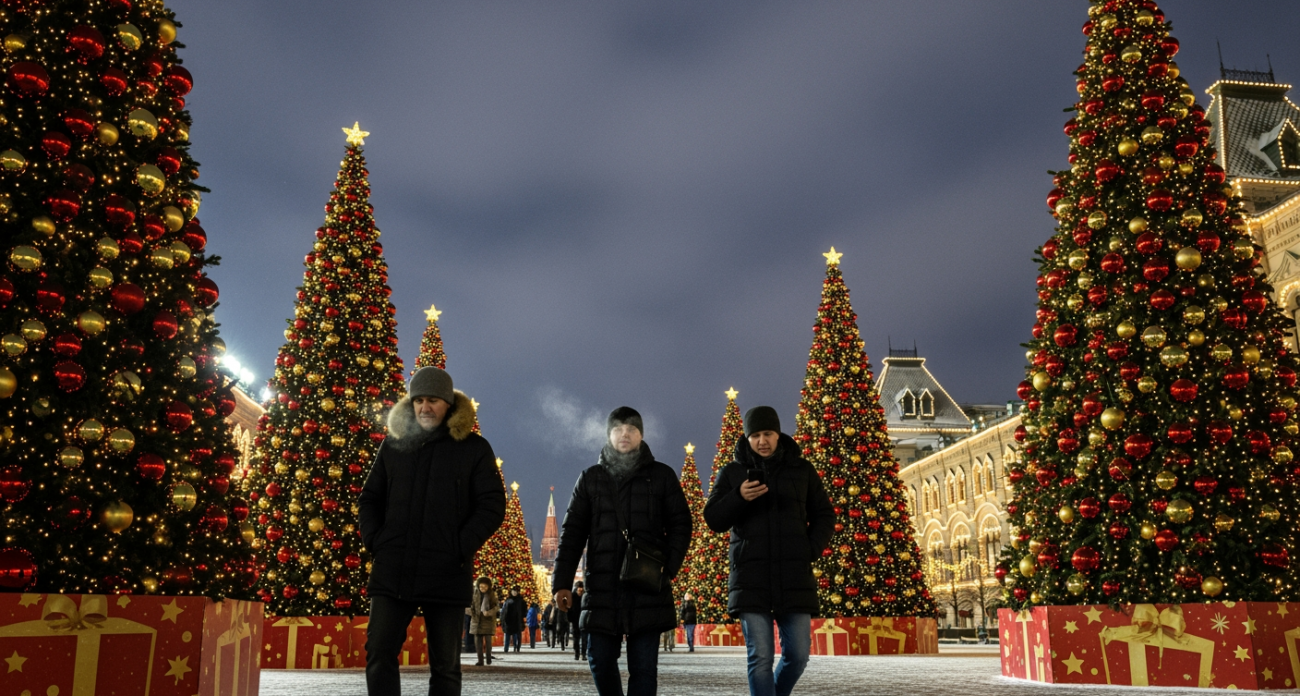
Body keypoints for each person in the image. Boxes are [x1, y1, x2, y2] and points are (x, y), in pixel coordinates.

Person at [359, 367, 507, 696]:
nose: (425, 407)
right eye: (419, 400)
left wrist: (460, 545)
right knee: (379, 653)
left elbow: (492, 505)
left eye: (434, 401)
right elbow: (369, 498)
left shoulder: (474, 448)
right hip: (393, 570)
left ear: (449, 404)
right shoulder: (393, 446)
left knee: (445, 666)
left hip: (446, 572)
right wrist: (376, 541)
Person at [552, 407, 693, 696]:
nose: (624, 433)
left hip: (648, 587)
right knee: (599, 660)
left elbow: (682, 525)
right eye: (618, 428)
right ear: (608, 435)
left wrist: (670, 567)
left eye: (631, 429)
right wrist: (562, 582)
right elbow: (572, 534)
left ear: (641, 435)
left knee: (643, 668)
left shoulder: (662, 476)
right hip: (603, 588)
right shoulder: (591, 478)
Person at [703, 406, 834, 696]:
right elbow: (713, 519)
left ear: (778, 434)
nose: (762, 441)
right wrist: (738, 497)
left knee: (798, 656)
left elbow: (825, 514)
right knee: (760, 657)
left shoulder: (802, 470)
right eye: (756, 435)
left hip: (794, 577)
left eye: (768, 434)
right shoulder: (733, 472)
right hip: (751, 578)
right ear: (747, 438)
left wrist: (809, 549)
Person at [469, 577, 500, 666]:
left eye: (485, 587)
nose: (482, 589)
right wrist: (472, 613)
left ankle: (488, 658)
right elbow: (471, 606)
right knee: (477, 643)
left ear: (488, 586)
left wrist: (489, 613)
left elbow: (496, 607)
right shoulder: (474, 594)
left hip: (488, 621)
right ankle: (480, 660)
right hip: (476, 620)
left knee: (488, 642)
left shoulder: (491, 595)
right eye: (481, 586)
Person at [501, 586, 525, 653]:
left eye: (515, 591)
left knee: (516, 636)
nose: (514, 593)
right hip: (508, 620)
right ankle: (506, 648)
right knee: (507, 636)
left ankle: (517, 647)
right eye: (513, 591)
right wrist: (503, 619)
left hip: (517, 621)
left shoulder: (521, 601)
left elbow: (524, 611)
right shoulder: (508, 600)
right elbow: (504, 611)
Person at [566, 582, 585, 660]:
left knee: (584, 638)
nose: (580, 590)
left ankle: (583, 654)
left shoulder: (584, 596)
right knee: (576, 638)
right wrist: (570, 618)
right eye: (579, 588)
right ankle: (577, 653)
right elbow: (569, 609)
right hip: (576, 620)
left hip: (583, 620)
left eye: (581, 588)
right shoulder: (572, 596)